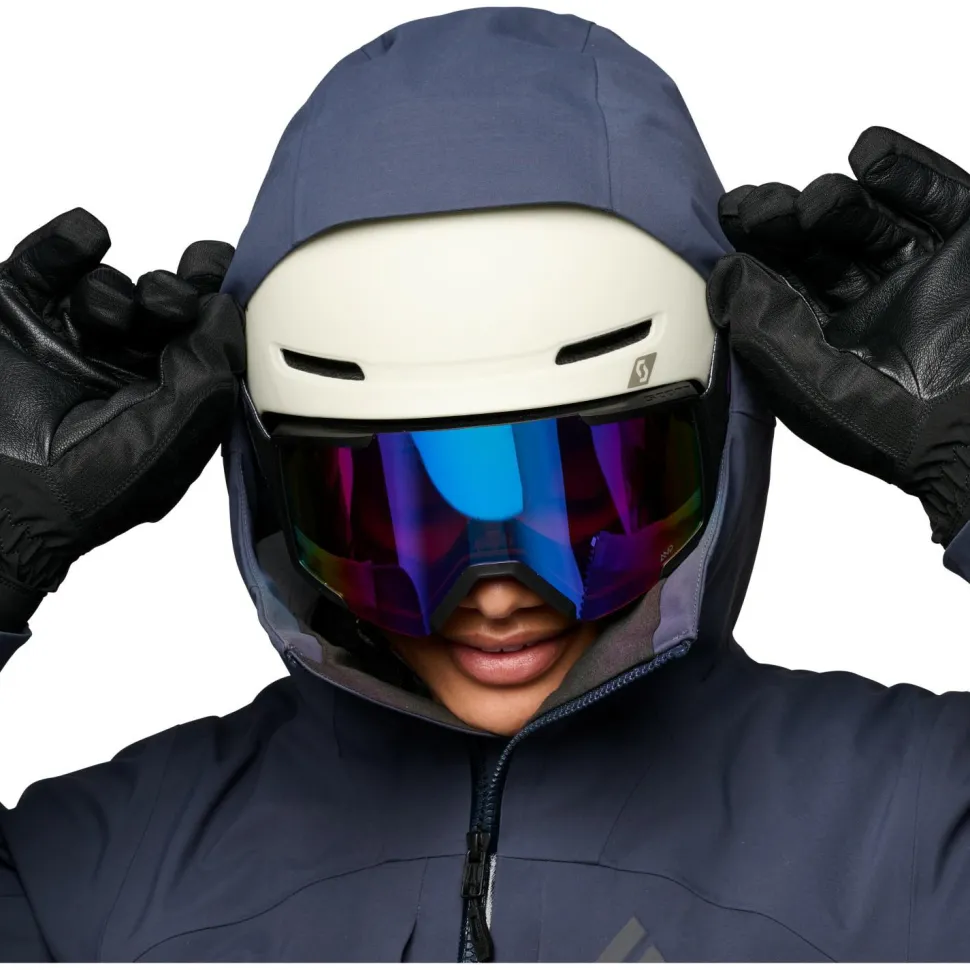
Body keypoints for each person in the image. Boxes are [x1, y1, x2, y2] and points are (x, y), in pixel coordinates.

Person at [1, 6, 970, 962]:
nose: (498, 593)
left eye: (584, 499)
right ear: (273, 479)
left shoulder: (913, 829)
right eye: (396, 515)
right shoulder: (86, 881)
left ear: (720, 430)